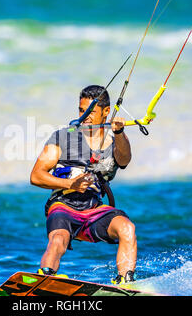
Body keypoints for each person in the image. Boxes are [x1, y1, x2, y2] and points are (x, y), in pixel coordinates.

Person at [30, 85, 137, 284]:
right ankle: (45, 278)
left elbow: (124, 160)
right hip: (63, 205)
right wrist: (70, 183)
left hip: (93, 209)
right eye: (81, 111)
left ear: (106, 112)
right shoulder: (62, 137)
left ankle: (126, 282)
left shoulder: (116, 140)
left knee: (126, 228)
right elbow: (36, 176)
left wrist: (120, 133)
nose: (85, 116)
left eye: (91, 112)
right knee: (58, 240)